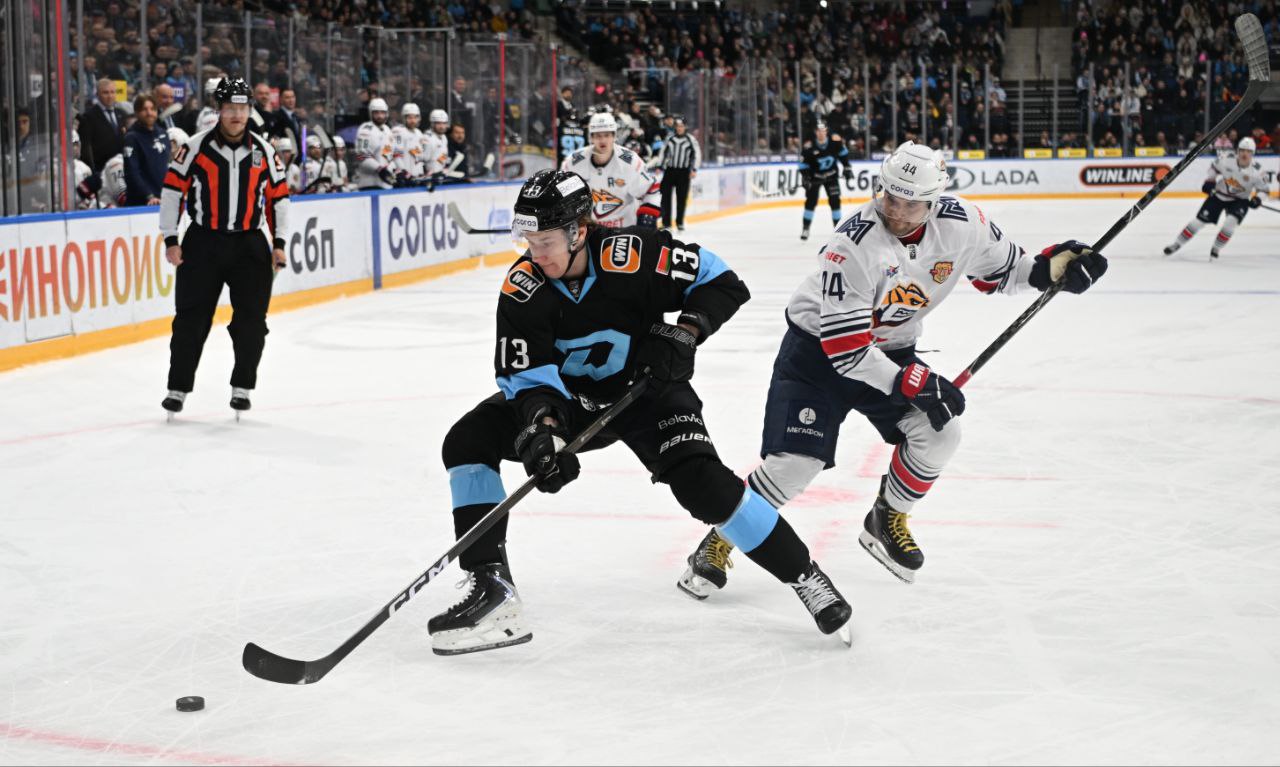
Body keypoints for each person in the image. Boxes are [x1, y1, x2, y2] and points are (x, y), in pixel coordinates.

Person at [427, 169, 852, 656]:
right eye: (529, 241)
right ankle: (493, 589)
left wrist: (686, 332)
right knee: (467, 441)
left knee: (706, 488)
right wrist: (543, 430)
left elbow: (723, 282)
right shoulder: (523, 287)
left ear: (578, 231)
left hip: (649, 393)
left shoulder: (634, 254)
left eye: (545, 241)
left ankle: (805, 577)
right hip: (572, 404)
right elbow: (528, 376)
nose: (535, 254)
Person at [674, 142, 1109, 596]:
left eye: (910, 203)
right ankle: (720, 538)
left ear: (934, 200)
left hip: (892, 350)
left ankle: (888, 516)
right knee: (794, 467)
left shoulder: (965, 225)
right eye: (890, 196)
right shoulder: (853, 243)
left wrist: (1055, 268)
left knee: (941, 432)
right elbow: (845, 349)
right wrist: (913, 381)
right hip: (816, 357)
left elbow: (1010, 271)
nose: (896, 211)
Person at [158, 77, 290, 418]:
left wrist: (279, 243)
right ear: (219, 110)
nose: (236, 115)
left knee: (252, 322)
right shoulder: (195, 147)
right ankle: (177, 388)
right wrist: (171, 239)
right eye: (230, 108)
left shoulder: (264, 150)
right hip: (203, 242)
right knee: (190, 320)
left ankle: (242, 386)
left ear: (250, 111)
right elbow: (172, 192)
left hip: (250, 244)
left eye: (242, 109)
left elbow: (279, 199)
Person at [1163, 137, 1270, 259]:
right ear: (1238, 151)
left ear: (1253, 153)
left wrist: (1258, 199)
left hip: (1240, 200)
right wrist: (1210, 181)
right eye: (1242, 150)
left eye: (1248, 151)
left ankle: (1216, 249)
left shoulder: (1258, 171)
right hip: (1219, 195)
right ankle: (1176, 244)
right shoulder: (1226, 159)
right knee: (1198, 222)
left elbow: (1264, 190)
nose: (1244, 154)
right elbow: (1214, 168)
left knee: (1230, 222)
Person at [559, 111, 660, 229]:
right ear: (591, 137)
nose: (603, 140)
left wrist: (648, 214)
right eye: (598, 135)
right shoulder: (573, 162)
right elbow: (562, 194)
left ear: (614, 136)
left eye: (607, 135)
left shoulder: (630, 161)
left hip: (624, 230)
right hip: (589, 231)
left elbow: (651, 189)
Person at [798, 122, 852, 241]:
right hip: (814, 178)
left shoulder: (835, 143)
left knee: (835, 202)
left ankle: (838, 230)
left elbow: (844, 156)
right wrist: (805, 177)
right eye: (818, 131)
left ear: (826, 131)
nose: (821, 133)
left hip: (831, 177)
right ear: (815, 132)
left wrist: (847, 168)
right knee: (811, 202)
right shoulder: (808, 147)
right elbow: (802, 165)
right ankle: (805, 228)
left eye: (823, 130)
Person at [652, 117, 701, 231]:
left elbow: (697, 154)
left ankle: (679, 223)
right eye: (678, 126)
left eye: (681, 126)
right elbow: (663, 152)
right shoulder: (670, 138)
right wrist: (659, 166)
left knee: (681, 198)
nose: (679, 128)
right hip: (670, 170)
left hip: (684, 172)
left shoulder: (690, 139)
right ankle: (666, 223)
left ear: (685, 127)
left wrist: (694, 169)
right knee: (665, 197)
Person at [122, 92, 169, 206]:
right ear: (137, 112)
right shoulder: (131, 138)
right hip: (141, 202)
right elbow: (132, 172)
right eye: (144, 109)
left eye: (152, 109)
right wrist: (148, 195)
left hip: (163, 199)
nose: (149, 113)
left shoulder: (163, 133)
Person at [78, 78, 128, 173]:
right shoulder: (88, 117)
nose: (110, 96)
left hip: (121, 169)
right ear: (97, 94)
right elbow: (86, 148)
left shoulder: (121, 114)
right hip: (101, 170)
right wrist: (93, 171)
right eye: (105, 93)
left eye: (112, 92)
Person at [354, 97, 395, 190]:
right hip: (369, 183)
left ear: (387, 113)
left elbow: (389, 155)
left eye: (382, 112)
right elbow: (361, 156)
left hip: (386, 184)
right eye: (376, 113)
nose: (380, 116)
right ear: (370, 113)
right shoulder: (365, 130)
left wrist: (393, 169)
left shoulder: (388, 130)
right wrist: (379, 169)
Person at [391, 103, 426, 183]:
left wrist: (422, 171)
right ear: (404, 118)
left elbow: (420, 156)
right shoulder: (398, 131)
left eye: (415, 117)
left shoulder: (419, 133)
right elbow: (396, 155)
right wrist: (405, 173)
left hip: (417, 177)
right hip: (404, 178)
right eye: (409, 118)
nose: (413, 121)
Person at [424, 109, 452, 178]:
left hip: (441, 175)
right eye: (438, 123)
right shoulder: (427, 138)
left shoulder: (444, 137)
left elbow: (442, 156)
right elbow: (423, 160)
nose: (442, 127)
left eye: (444, 123)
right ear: (432, 124)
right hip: (429, 177)